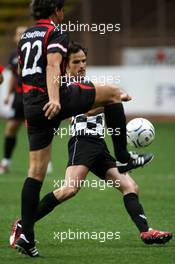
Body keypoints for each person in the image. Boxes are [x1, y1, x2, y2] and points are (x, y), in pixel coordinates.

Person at [13, 0, 153, 257]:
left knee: (35, 174)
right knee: (113, 93)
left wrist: (38, 100)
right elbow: (54, 65)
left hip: (31, 104)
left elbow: (24, 70)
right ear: (57, 11)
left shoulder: (25, 37)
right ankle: (123, 157)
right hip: (51, 97)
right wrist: (55, 98)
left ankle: (27, 236)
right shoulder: (55, 31)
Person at [0, 27, 26, 175]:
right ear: (15, 38)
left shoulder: (36, 52)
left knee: (36, 130)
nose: (21, 36)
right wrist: (7, 95)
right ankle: (6, 162)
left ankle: (45, 162)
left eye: (24, 34)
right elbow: (12, 77)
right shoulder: (13, 55)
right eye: (19, 34)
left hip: (34, 95)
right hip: (18, 96)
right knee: (11, 128)